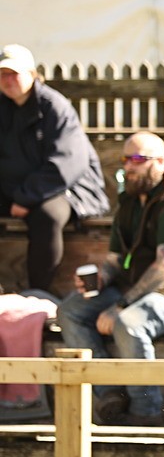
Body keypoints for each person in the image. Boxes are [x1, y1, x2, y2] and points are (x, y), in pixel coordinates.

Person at [57, 132, 164, 426]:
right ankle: (110, 392)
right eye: (125, 159)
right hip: (136, 284)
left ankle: (147, 414)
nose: (129, 167)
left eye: (138, 160)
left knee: (130, 324)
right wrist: (100, 281)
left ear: (160, 163)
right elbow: (114, 261)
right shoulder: (129, 203)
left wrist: (119, 306)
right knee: (70, 310)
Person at [0, 44, 109, 294]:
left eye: (14, 73)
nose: (8, 80)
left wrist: (25, 197)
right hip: (15, 189)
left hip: (66, 189)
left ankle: (38, 293)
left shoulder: (54, 107)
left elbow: (68, 163)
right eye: (3, 74)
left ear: (32, 74)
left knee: (47, 216)